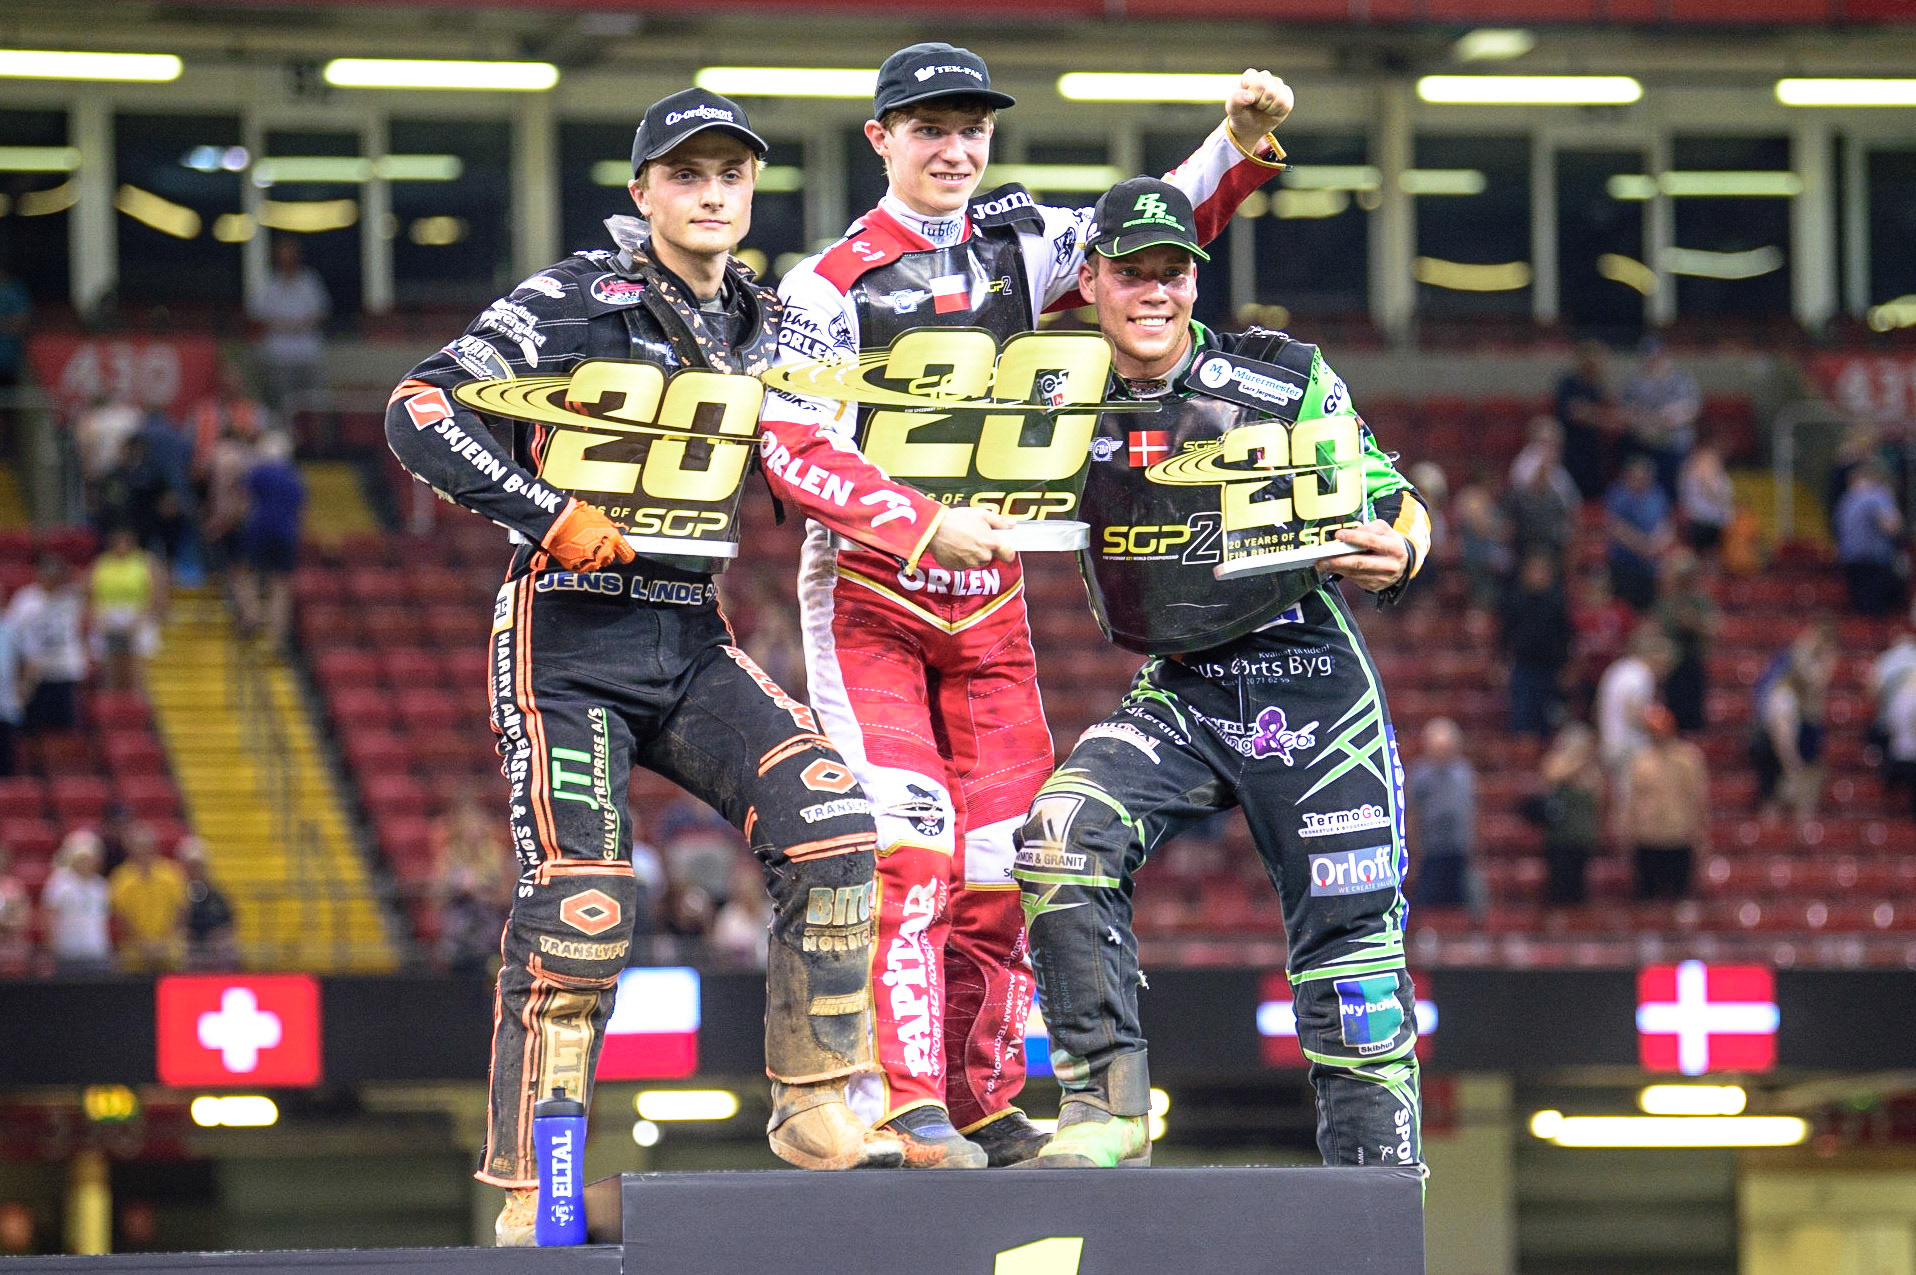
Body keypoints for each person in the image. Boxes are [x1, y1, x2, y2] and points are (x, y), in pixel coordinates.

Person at [758, 44, 1293, 1169]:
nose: (955, 148)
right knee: (906, 858)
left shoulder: (1021, 239)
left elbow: (1145, 237)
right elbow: (791, 449)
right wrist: (916, 519)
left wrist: (1234, 144)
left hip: (988, 607)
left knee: (1006, 866)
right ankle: (901, 1102)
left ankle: (982, 1100)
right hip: (868, 602)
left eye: (972, 128)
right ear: (880, 141)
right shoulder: (828, 284)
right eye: (928, 128)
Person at [384, 87, 900, 1240]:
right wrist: (540, 510)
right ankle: (535, 1187)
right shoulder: (574, 294)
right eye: (685, 174)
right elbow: (416, 407)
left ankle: (818, 1104)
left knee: (833, 826)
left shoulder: (765, 318)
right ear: (642, 192)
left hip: (688, 629)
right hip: (564, 632)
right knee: (581, 909)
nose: (711, 192)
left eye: (730, 174)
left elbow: (840, 428)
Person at [1010, 177, 1429, 1170]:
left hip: (1310, 678)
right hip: (1183, 685)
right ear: (1091, 280)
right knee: (1059, 837)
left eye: (1171, 273)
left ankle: (1375, 1197)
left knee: (1352, 954)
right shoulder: (1050, 397)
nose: (1152, 292)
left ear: (1194, 282)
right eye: (1130, 273)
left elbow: (1390, 493)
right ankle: (1105, 1109)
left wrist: (1401, 546)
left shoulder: (1279, 381)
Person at [1752, 624, 1836, 831]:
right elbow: (1780, 736)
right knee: (1778, 789)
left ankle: (1801, 824)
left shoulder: (1803, 700)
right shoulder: (1783, 693)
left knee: (1809, 778)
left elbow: (1819, 681)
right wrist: (1791, 764)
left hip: (1801, 730)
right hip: (1775, 746)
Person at [1622, 705, 1708, 900]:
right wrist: (1627, 828)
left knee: (1679, 895)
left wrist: (1700, 830)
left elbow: (1697, 797)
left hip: (1678, 835)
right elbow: (1632, 799)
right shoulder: (1640, 761)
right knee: (1648, 897)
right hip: (1647, 836)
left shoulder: (1688, 759)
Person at [430, 788, 513, 975]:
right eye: (468, 825)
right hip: (458, 941)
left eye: (476, 825)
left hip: (489, 937)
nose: (473, 831)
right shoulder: (449, 857)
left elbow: (508, 899)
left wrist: (480, 893)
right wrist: (454, 889)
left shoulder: (496, 855)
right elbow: (436, 901)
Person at [233, 432, 304, 650]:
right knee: (280, 584)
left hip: (259, 528)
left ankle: (251, 616)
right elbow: (300, 513)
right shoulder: (295, 479)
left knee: (244, 573)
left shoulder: (259, 472)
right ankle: (277, 637)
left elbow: (244, 502)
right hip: (286, 532)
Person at [6, 555, 87, 736]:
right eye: (47, 574)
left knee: (65, 729)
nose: (51, 579)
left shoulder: (72, 597)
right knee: (35, 727)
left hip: (65, 670)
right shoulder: (26, 599)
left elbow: (89, 586)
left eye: (55, 575)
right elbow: (12, 632)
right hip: (37, 672)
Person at [249, 237, 330, 414]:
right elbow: (258, 319)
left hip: (308, 355)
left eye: (291, 253)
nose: (287, 258)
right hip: (278, 356)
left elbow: (321, 315)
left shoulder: (310, 281)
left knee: (315, 405)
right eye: (283, 254)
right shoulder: (268, 284)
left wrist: (290, 324)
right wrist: (291, 325)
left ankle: (314, 440)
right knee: (282, 407)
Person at [1528, 723, 1604, 907]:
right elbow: (1553, 775)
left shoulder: (1592, 770)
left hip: (1582, 836)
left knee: (1578, 888)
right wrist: (1578, 760)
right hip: (1559, 837)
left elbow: (1598, 794)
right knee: (1559, 886)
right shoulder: (1557, 761)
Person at [1500, 553, 1572, 737]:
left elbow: (1566, 637)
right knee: (1523, 718)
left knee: (1549, 720)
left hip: (1550, 670)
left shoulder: (1558, 602)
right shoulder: (1516, 600)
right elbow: (1505, 634)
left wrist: (1566, 667)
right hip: (1523, 668)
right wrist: (1502, 662)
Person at [1620, 338, 1699, 502]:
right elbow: (1625, 412)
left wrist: (1662, 418)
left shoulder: (1681, 380)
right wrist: (1644, 419)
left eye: (1658, 356)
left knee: (1673, 495)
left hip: (1673, 447)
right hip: (1644, 447)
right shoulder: (1635, 382)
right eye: (1649, 357)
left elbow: (1690, 410)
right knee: (1642, 494)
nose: (1653, 361)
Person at [1408, 718, 1475, 909]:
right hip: (1430, 850)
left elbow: (1470, 810)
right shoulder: (1419, 774)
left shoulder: (1464, 772)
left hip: (1459, 848)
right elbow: (1413, 812)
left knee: (1461, 905)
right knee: (1428, 904)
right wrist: (1414, 847)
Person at [1596, 623, 1674, 784]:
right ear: (1655, 656)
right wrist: (1657, 726)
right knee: (1632, 800)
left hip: (1610, 741)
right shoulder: (1641, 674)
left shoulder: (1619, 668)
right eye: (1664, 663)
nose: (1665, 670)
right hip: (1628, 747)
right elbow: (1631, 711)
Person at [88, 527, 162, 692]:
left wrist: (141, 619)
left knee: (138, 660)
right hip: (106, 615)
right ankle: (110, 699)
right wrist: (99, 617)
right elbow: (91, 594)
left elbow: (155, 594)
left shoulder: (144, 562)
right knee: (107, 658)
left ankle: (139, 699)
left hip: (138, 614)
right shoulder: (102, 563)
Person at [108, 822, 188, 971]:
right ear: (129, 848)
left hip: (168, 945)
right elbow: (120, 916)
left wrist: (163, 942)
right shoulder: (121, 878)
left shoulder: (171, 874)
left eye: (146, 846)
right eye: (137, 846)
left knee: (176, 964)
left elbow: (180, 910)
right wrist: (143, 944)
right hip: (134, 947)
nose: (142, 850)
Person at [1657, 549, 1718, 734]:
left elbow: (1715, 629)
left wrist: (1694, 624)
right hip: (1671, 665)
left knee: (1693, 715)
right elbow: (1658, 631)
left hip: (1693, 662)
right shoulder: (1668, 602)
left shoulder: (1701, 602)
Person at [1834, 461, 1905, 617]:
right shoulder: (1878, 494)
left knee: (1862, 614)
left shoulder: (1845, 499)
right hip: (1873, 562)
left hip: (1850, 561)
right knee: (1877, 613)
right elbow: (1892, 527)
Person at [1604, 455, 1673, 612]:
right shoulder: (1618, 495)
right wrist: (1643, 546)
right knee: (1624, 610)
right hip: (1624, 567)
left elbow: (1666, 525)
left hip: (1650, 568)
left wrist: (1657, 544)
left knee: (1648, 611)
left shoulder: (1657, 495)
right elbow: (1615, 527)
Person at [41, 831, 111, 972]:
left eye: (90, 858)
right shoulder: (59, 882)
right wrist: (51, 946)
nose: (86, 862)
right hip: (67, 951)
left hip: (96, 951)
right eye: (82, 858)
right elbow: (48, 916)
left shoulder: (101, 885)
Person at [1555, 341, 1615, 500]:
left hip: (1592, 450)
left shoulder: (1597, 388)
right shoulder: (1568, 383)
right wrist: (1600, 418)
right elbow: (1576, 412)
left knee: (1594, 495)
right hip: (1571, 450)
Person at [177, 837, 238, 970]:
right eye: (191, 866)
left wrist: (217, 935)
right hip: (190, 946)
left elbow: (229, 922)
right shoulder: (178, 894)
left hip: (214, 946)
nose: (195, 871)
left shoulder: (216, 895)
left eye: (198, 866)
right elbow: (176, 924)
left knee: (226, 949)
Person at [1677, 440, 1735, 556]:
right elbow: (1713, 497)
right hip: (1700, 521)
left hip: (1719, 523)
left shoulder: (1722, 477)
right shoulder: (1694, 473)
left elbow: (1728, 500)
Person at [0, 593, 20, 776]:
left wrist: (23, 691)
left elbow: (29, 661)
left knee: (6, 768)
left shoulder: (10, 628)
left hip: (5, 706)